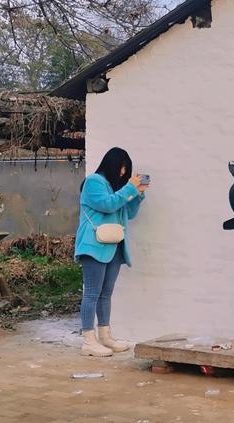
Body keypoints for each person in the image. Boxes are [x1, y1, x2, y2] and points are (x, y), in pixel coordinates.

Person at [74, 147, 148, 357]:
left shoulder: (117, 188)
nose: (124, 173)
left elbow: (129, 213)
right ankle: (89, 340)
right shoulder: (94, 182)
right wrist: (129, 189)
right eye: (122, 168)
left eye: (127, 170)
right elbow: (107, 205)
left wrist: (138, 193)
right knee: (92, 293)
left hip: (114, 244)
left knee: (106, 294)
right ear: (113, 164)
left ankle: (105, 336)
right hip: (94, 245)